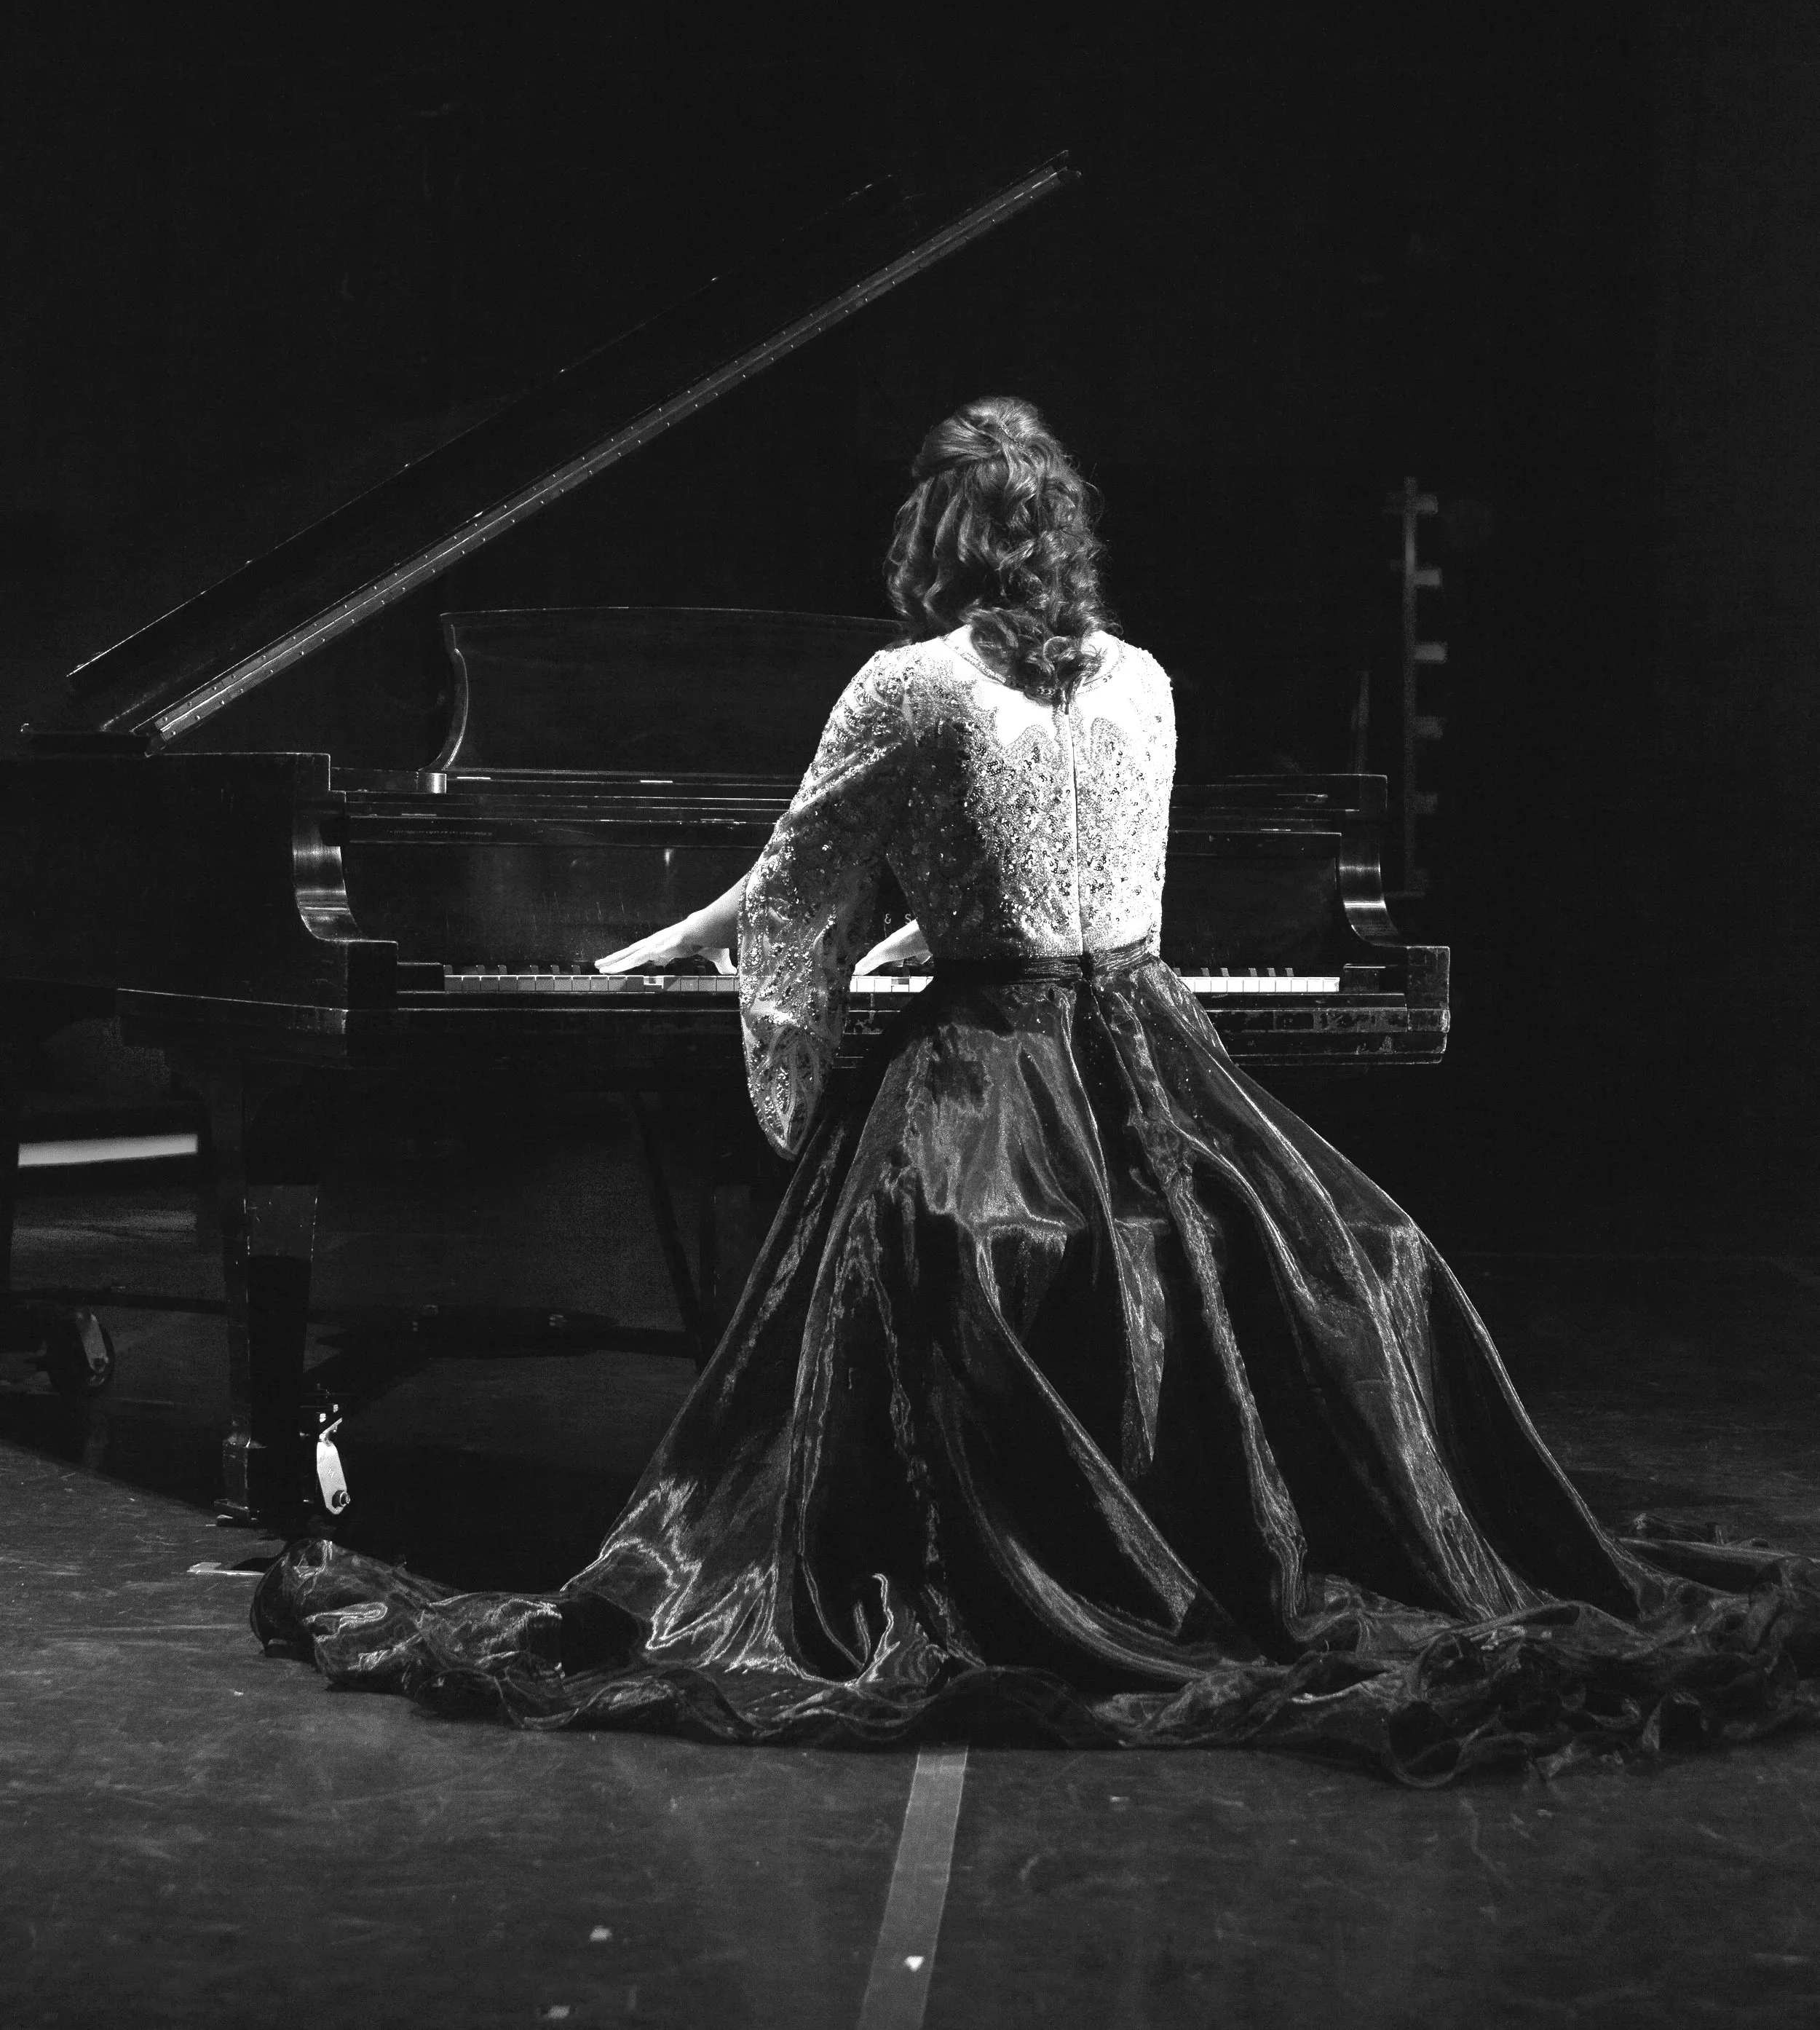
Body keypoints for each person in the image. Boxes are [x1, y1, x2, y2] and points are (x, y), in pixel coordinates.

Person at [256, 398, 1819, 1780]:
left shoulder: (909, 685)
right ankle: (1205, 1550)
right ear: (1060, 538)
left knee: (931, 1252)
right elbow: (1063, 875)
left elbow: (794, 877)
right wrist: (913, 937)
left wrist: (652, 955)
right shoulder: (1139, 678)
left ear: (929, 537)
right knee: (1323, 1254)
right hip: (1149, 1052)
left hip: (996, 1064)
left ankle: (1024, 1572)